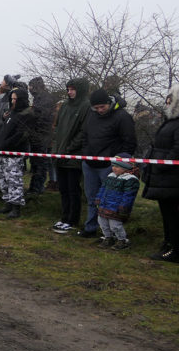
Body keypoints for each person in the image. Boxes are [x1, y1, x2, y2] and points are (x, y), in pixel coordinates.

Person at [77, 88, 136, 238]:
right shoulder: (91, 114)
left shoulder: (122, 116)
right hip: (89, 163)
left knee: (111, 200)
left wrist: (119, 164)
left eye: (102, 107)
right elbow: (84, 135)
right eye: (96, 108)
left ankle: (114, 233)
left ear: (109, 103)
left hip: (111, 166)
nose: (99, 110)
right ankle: (90, 227)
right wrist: (86, 154)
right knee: (92, 198)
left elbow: (129, 142)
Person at [141, 84, 179, 262]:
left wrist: (163, 164)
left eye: (170, 97)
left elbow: (177, 149)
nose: (167, 100)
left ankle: (175, 250)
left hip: (172, 178)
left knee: (173, 214)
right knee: (167, 212)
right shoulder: (170, 121)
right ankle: (168, 243)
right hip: (165, 178)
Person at [51, 78, 90, 234]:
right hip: (60, 154)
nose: (69, 92)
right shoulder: (65, 106)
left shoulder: (86, 106)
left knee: (73, 189)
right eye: (68, 89)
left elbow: (83, 132)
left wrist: (69, 148)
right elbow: (58, 128)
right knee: (63, 189)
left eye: (72, 89)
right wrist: (56, 149)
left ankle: (72, 220)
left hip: (74, 155)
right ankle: (64, 217)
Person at [0, 87, 34, 219]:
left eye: (15, 99)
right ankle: (8, 203)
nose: (13, 101)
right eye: (12, 99)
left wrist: (5, 144)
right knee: (3, 179)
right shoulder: (12, 113)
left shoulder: (26, 115)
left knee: (14, 181)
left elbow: (20, 136)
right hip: (3, 153)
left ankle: (16, 208)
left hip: (14, 154)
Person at [94, 154, 140, 250]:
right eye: (113, 166)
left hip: (116, 207)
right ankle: (108, 238)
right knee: (102, 223)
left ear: (126, 167)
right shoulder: (110, 176)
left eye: (117, 166)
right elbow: (103, 188)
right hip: (104, 205)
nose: (114, 168)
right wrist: (98, 199)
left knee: (115, 225)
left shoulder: (130, 179)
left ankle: (122, 240)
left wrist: (124, 207)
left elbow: (128, 195)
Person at [27, 76, 55, 195]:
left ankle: (37, 188)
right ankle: (35, 187)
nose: (30, 89)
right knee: (36, 163)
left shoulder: (45, 99)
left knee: (40, 163)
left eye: (31, 87)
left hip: (42, 135)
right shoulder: (39, 98)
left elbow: (42, 116)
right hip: (38, 134)